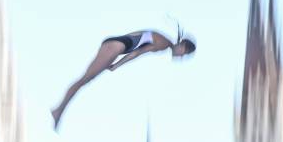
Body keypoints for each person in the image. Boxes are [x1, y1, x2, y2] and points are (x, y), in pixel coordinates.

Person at [51, 27, 196, 129]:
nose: (181, 57)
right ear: (182, 46)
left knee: (86, 80)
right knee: (84, 79)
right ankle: (58, 110)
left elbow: (137, 44)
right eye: (184, 54)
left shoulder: (163, 41)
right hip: (117, 45)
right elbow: (137, 53)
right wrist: (117, 65)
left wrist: (116, 64)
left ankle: (59, 110)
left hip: (118, 45)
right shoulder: (164, 44)